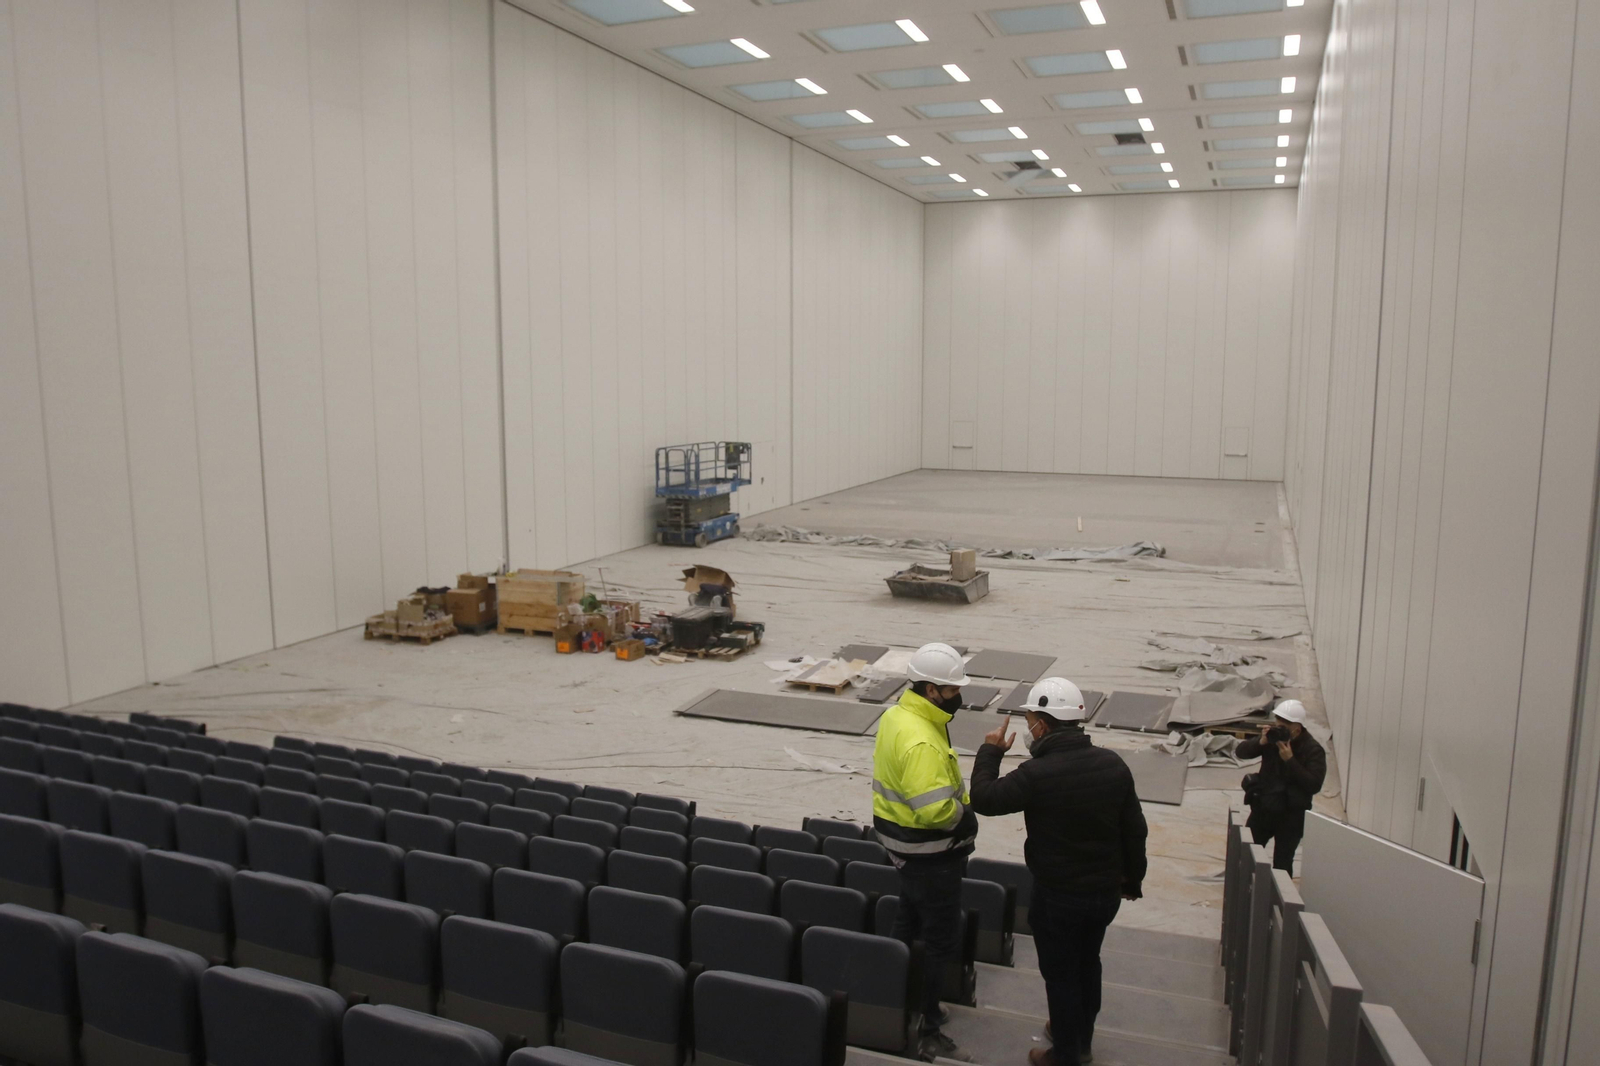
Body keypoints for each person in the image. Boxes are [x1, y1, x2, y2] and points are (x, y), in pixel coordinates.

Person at [969, 677, 1147, 1066]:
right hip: (1103, 893)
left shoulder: (1038, 774)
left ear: (1043, 725)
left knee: (1062, 974)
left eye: (1031, 719)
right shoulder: (1112, 764)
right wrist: (1133, 879)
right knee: (1088, 962)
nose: (1029, 727)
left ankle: (1067, 1054)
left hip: (1059, 896)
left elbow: (983, 798)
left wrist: (990, 751)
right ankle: (1079, 1037)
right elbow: (1135, 829)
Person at [872, 642, 980, 1062]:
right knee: (939, 939)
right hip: (930, 853)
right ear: (932, 690)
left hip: (902, 848)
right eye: (952, 690)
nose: (958, 696)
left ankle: (895, 999)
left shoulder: (899, 715)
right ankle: (927, 1025)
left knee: (907, 920)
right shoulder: (922, 740)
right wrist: (965, 817)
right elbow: (934, 808)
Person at [1236, 699, 1326, 873]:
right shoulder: (1272, 740)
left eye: (1285, 726)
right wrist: (1260, 742)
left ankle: (1278, 899)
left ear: (1297, 729)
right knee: (1248, 855)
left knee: (1282, 864)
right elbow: (1240, 752)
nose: (1280, 728)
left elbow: (1314, 785)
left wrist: (1290, 761)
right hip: (1264, 809)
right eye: (1278, 723)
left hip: (1291, 817)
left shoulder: (1312, 750)